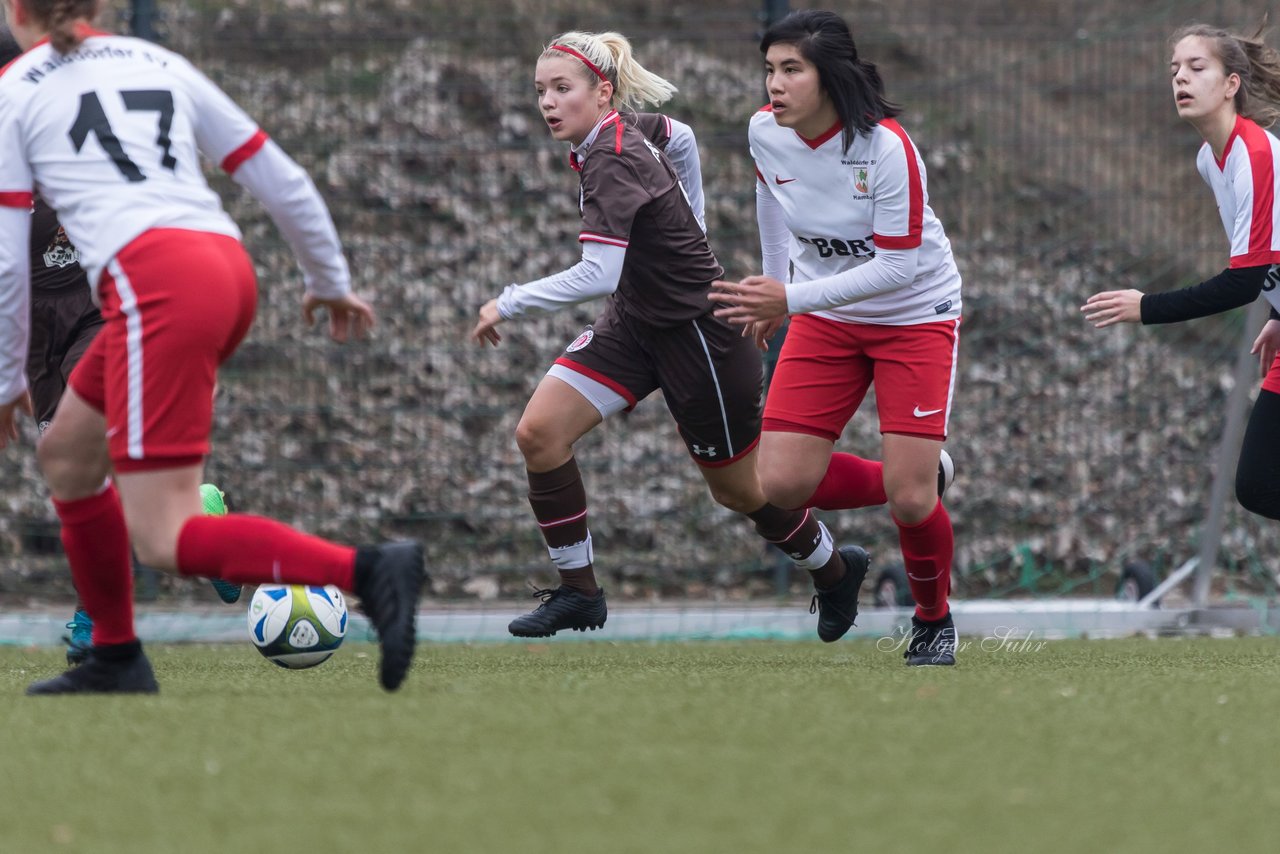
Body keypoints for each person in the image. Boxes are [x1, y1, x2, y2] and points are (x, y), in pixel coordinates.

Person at [0, 1, 424, 694]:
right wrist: (329, 281)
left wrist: (2, 378)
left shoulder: (18, 86)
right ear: (102, 6)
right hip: (222, 264)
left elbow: (10, 260)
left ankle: (368, 571)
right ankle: (115, 655)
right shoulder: (158, 62)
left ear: (16, 11)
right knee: (69, 454)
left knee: (165, 536)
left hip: (153, 285)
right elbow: (279, 177)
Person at [471, 29, 872, 641]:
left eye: (562, 89)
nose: (548, 103)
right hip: (635, 325)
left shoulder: (609, 155)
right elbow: (678, 136)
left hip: (700, 340)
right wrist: (694, 221)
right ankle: (580, 594)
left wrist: (509, 301)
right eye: (540, 91)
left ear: (601, 92)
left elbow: (598, 273)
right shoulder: (617, 134)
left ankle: (835, 568)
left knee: (742, 492)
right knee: (539, 434)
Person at [708, 10, 962, 666]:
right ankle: (922, 476)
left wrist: (789, 297)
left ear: (832, 75)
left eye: (792, 69)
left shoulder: (886, 149)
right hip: (826, 315)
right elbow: (770, 199)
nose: (775, 83)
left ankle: (932, 620)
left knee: (911, 505)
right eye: (770, 69)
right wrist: (773, 283)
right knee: (781, 483)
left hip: (913, 316)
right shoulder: (765, 131)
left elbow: (897, 268)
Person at [0, 34, 243, 666]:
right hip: (29, 333)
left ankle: (96, 616)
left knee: (92, 456)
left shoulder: (58, 123)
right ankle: (201, 515)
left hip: (94, 310)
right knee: (71, 475)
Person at [1083, 21, 1280, 525]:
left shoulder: (1254, 154)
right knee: (1258, 486)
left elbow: (1241, 281)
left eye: (1196, 67)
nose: (1180, 79)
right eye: (1174, 70)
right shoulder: (1209, 159)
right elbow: (1265, 261)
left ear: (1232, 83)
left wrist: (1145, 306)